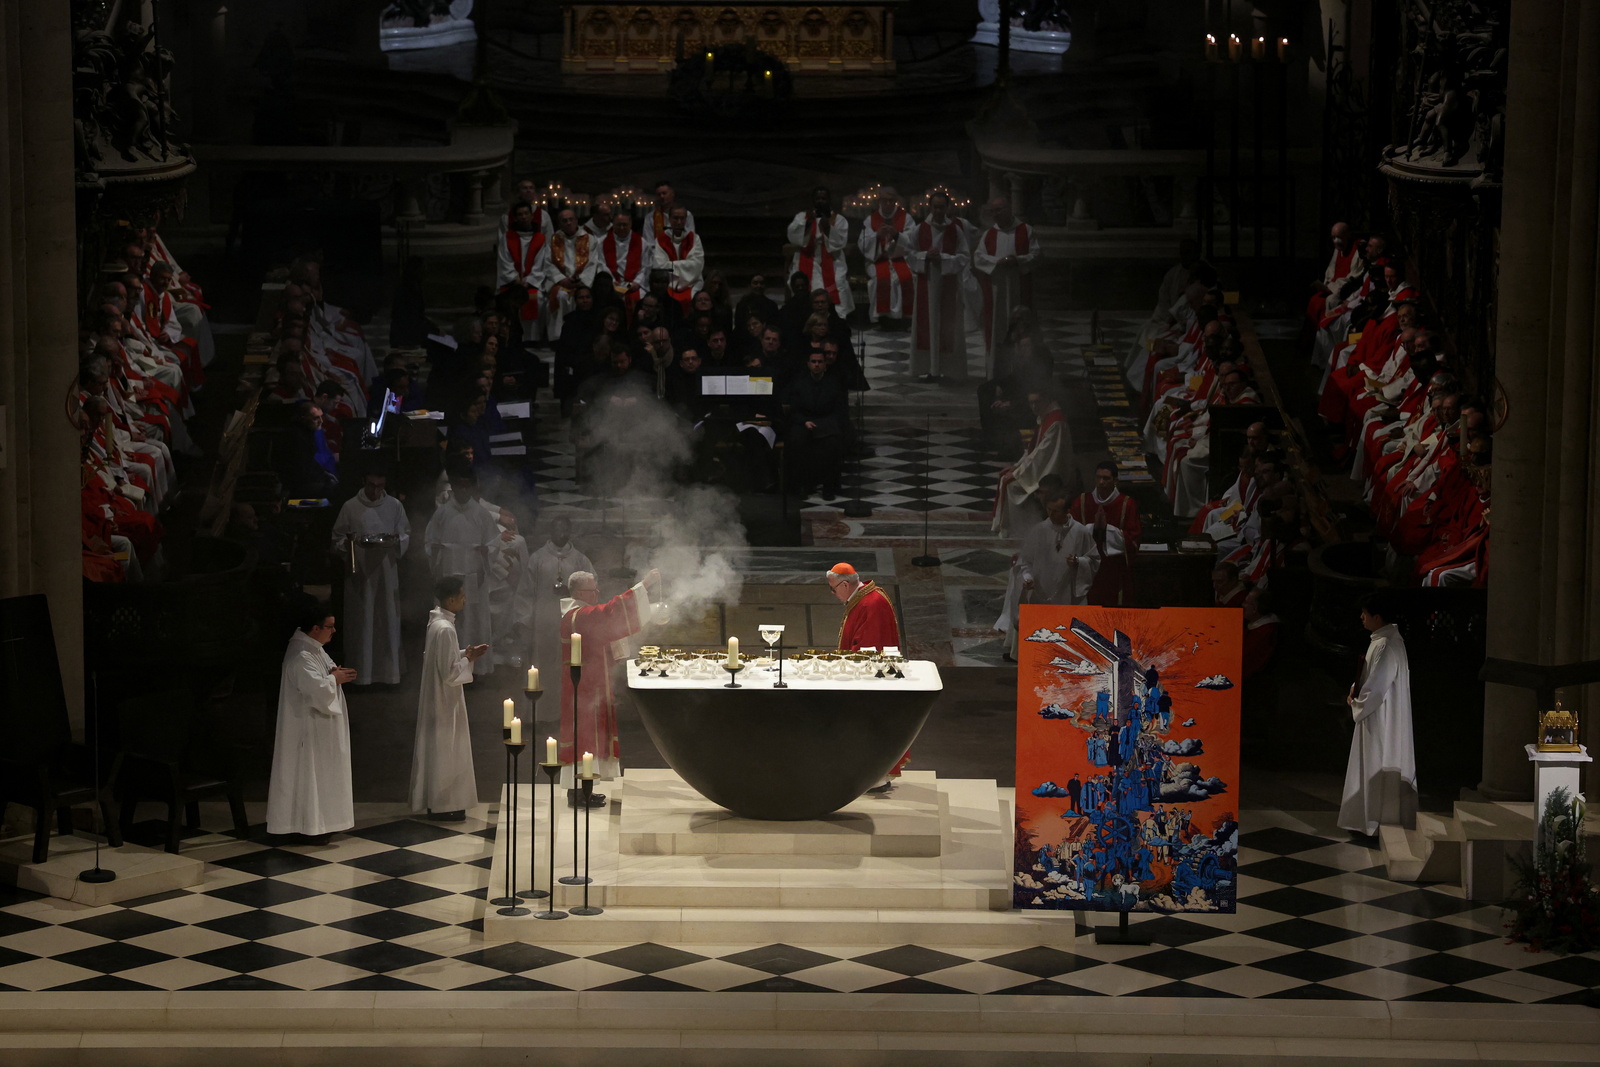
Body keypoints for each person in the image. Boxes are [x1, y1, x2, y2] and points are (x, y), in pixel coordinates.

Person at [558, 568, 661, 806]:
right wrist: (643, 586)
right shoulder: (578, 615)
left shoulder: (578, 614)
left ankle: (585, 788)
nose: (598, 593)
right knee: (584, 736)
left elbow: (604, 627)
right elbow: (610, 613)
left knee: (590, 735)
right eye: (594, 589)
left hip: (590, 682)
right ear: (582, 592)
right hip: (582, 687)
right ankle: (578, 792)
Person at [265, 602, 357, 841]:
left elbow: (323, 676)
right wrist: (333, 679)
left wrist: (334, 673)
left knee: (322, 774)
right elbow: (315, 690)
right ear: (315, 628)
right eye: (330, 627)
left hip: (320, 726)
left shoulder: (314, 647)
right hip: (306, 729)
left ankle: (322, 823)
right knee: (309, 775)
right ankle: (309, 827)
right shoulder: (301, 655)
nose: (334, 631)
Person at [1338, 593, 1417, 840]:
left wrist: (1357, 702)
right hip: (1379, 712)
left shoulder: (1385, 644)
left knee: (1375, 761)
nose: (1361, 617)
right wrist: (1357, 687)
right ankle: (1369, 819)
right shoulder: (1385, 640)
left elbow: (1378, 686)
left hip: (1380, 717)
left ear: (1377, 616)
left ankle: (1373, 822)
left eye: (1365, 613)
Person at [411, 575, 490, 820]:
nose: (465, 601)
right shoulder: (444, 628)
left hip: (440, 697)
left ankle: (440, 801)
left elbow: (441, 658)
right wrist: (469, 659)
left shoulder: (438, 624)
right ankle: (444, 803)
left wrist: (463, 654)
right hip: (444, 699)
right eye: (463, 596)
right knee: (447, 747)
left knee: (443, 747)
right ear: (452, 598)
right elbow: (448, 673)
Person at [997, 475, 1099, 658]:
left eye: (1056, 511)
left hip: (1068, 595)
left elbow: (1094, 560)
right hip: (1041, 594)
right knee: (1041, 645)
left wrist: (1079, 562)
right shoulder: (1039, 530)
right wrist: (1027, 579)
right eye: (1049, 510)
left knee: (1065, 645)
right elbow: (1024, 563)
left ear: (1067, 510)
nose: (1051, 515)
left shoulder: (1080, 532)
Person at [330, 471, 410, 686]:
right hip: (361, 573)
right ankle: (361, 675)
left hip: (386, 571)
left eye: (380, 486)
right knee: (363, 621)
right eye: (372, 486)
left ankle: (389, 673)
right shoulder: (350, 507)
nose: (376, 491)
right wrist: (350, 545)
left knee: (387, 619)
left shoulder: (394, 506)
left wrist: (394, 541)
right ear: (363, 482)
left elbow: (405, 535)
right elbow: (337, 538)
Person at [424, 459, 500, 675]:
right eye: (460, 486)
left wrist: (487, 551)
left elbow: (494, 543)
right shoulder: (442, 513)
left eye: (468, 486)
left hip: (474, 577)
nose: (464, 490)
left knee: (474, 621)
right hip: (449, 576)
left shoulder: (481, 514)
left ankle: (477, 669)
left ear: (473, 487)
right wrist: (437, 552)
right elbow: (429, 543)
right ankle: (450, 668)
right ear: (454, 486)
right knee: (452, 624)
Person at [972, 197, 1041, 376]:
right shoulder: (989, 234)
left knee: (1020, 326)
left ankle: (1022, 374)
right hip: (996, 291)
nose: (996, 214)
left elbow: (1036, 255)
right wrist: (998, 262)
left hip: (1018, 288)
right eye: (993, 211)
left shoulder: (1026, 231)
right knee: (997, 329)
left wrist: (1016, 260)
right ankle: (995, 373)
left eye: (999, 210)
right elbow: (978, 257)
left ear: (1009, 209)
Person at [991, 390, 1073, 538]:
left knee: (1012, 485)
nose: (1034, 407)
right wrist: (1017, 466)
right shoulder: (1046, 417)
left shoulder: (1056, 422)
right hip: (1042, 466)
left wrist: (1018, 472)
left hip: (1051, 471)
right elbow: (1033, 450)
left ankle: (1018, 529)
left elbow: (1041, 456)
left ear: (1047, 400)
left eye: (1037, 402)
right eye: (1031, 403)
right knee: (1005, 477)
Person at [908, 191, 971, 381]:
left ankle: (949, 369)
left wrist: (942, 258)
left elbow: (964, 256)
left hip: (948, 284)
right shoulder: (920, 229)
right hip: (926, 283)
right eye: (934, 206)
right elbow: (910, 254)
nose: (937, 210)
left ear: (947, 208)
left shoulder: (956, 230)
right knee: (926, 324)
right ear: (929, 207)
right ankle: (929, 369)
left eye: (941, 207)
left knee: (948, 328)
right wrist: (925, 256)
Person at [525, 517, 595, 678]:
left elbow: (592, 585)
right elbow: (526, 590)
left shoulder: (580, 560)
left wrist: (571, 590)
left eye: (565, 530)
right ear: (551, 532)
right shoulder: (537, 559)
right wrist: (524, 619)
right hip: (544, 616)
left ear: (570, 532)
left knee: (570, 654)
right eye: (558, 530)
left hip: (572, 616)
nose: (561, 534)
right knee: (544, 658)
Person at [1069, 462, 1142, 606]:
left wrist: (1106, 529)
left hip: (1115, 568)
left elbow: (1133, 539)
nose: (1101, 482)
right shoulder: (1082, 502)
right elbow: (1071, 532)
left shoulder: (1127, 504)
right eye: (1098, 477)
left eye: (1106, 478)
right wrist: (1094, 528)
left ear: (1115, 481)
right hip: (1087, 569)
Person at [786, 349, 848, 500]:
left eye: (820, 362)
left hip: (826, 423)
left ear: (825, 365)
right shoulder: (799, 383)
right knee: (796, 441)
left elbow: (840, 410)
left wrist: (824, 424)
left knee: (833, 443)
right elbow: (793, 409)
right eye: (813, 362)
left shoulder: (833, 384)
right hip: (804, 422)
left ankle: (829, 486)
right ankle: (800, 485)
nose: (817, 365)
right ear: (808, 364)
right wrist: (804, 422)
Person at [787, 187, 853, 318]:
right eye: (818, 199)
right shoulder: (802, 217)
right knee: (798, 282)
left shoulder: (838, 219)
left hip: (832, 259)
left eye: (824, 198)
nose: (821, 201)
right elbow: (792, 236)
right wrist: (807, 224)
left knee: (839, 283)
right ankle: (803, 315)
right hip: (807, 257)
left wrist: (828, 227)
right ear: (813, 201)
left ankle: (835, 318)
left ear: (829, 200)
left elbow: (840, 242)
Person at [857, 186, 914, 325]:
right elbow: (863, 243)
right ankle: (883, 318)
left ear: (896, 201)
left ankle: (903, 318)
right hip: (878, 259)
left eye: (891, 200)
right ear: (879, 201)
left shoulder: (906, 218)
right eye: (885, 200)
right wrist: (876, 236)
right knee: (879, 279)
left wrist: (896, 234)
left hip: (901, 259)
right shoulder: (870, 220)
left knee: (905, 277)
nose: (888, 204)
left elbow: (913, 241)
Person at [541, 207, 596, 342]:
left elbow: (593, 262)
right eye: (564, 221)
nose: (568, 223)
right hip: (561, 282)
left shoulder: (589, 239)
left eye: (571, 219)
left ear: (577, 221)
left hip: (582, 281)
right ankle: (558, 338)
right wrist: (561, 280)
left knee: (582, 296)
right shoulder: (553, 240)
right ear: (559, 224)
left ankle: (581, 337)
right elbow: (548, 263)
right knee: (561, 295)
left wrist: (581, 281)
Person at [496, 202, 548, 343]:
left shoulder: (540, 239)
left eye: (526, 214)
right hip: (512, 283)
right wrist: (515, 279)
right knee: (510, 301)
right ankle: (514, 337)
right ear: (515, 218)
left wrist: (528, 281)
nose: (524, 217)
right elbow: (504, 262)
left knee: (538, 299)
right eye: (520, 214)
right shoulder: (507, 238)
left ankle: (533, 339)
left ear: (531, 216)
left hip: (531, 283)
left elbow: (541, 264)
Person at [828, 562, 899, 650]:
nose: (832, 592)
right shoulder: (860, 598)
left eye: (833, 589)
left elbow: (867, 646)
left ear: (845, 585)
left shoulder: (871, 604)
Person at [651, 205, 704, 315]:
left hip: (692, 283)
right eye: (675, 218)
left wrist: (671, 265)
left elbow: (697, 265)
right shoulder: (661, 240)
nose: (679, 222)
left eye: (682, 218)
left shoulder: (694, 239)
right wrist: (685, 265)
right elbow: (659, 267)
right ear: (669, 219)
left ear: (686, 219)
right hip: (669, 285)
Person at [599, 211, 650, 315]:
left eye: (625, 225)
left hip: (634, 285)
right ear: (613, 224)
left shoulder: (642, 242)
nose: (622, 228)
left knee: (642, 299)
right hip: (612, 285)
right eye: (618, 225)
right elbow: (601, 264)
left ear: (630, 224)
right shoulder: (602, 242)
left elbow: (646, 267)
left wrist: (637, 283)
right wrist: (612, 282)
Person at [642, 180, 695, 244]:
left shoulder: (687, 215)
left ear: (672, 194)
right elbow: (649, 242)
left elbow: (690, 238)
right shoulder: (650, 217)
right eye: (659, 194)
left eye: (664, 193)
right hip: (658, 252)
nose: (662, 196)